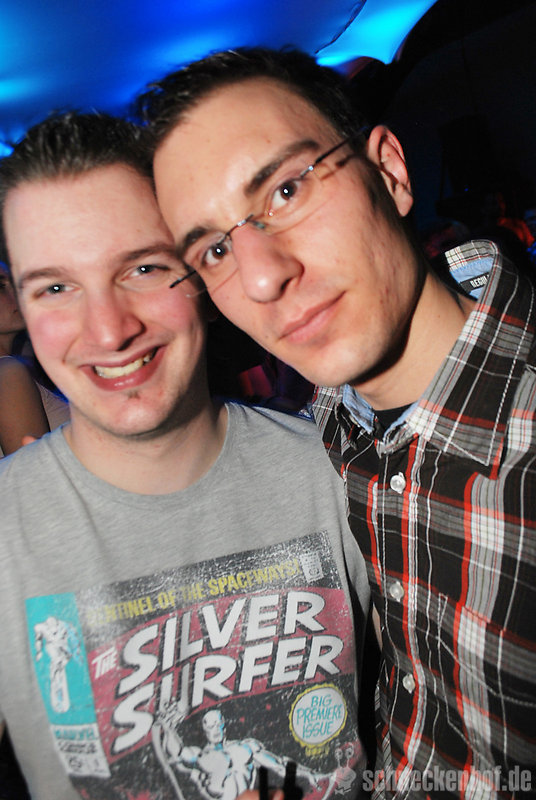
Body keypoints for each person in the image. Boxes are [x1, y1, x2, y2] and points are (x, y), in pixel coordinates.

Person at [138, 47, 536, 797]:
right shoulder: (326, 433)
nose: (262, 276)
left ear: (390, 171)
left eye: (287, 189)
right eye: (216, 249)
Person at [0, 111, 371, 800]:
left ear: (200, 274)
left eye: (143, 268)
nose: (108, 330)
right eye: (55, 287)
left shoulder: (336, 473)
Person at [0, 264, 68, 455]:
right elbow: (33, 469)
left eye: (16, 283)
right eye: (0, 286)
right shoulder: (8, 372)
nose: (19, 293)